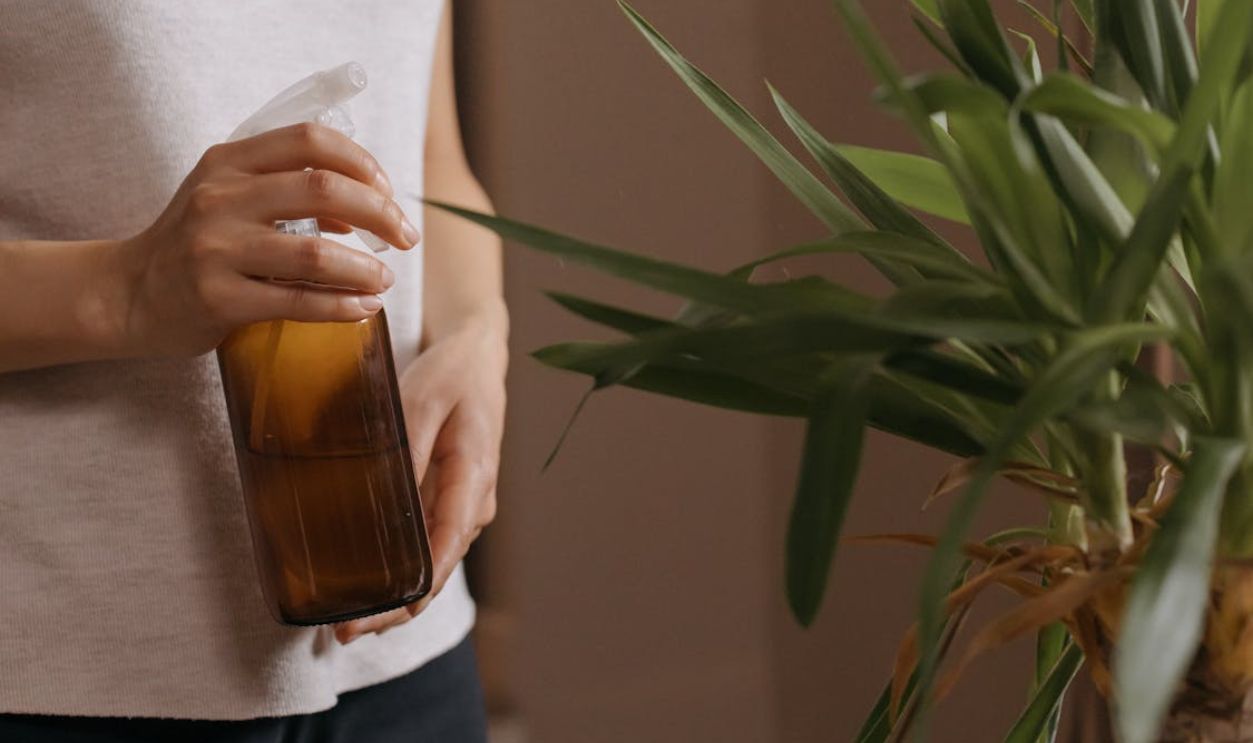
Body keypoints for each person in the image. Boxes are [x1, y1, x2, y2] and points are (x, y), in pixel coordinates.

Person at [0, 1, 506, 741]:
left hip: (409, 668)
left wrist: (476, 334)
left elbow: (434, 162)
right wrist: (126, 288)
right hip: (73, 671)